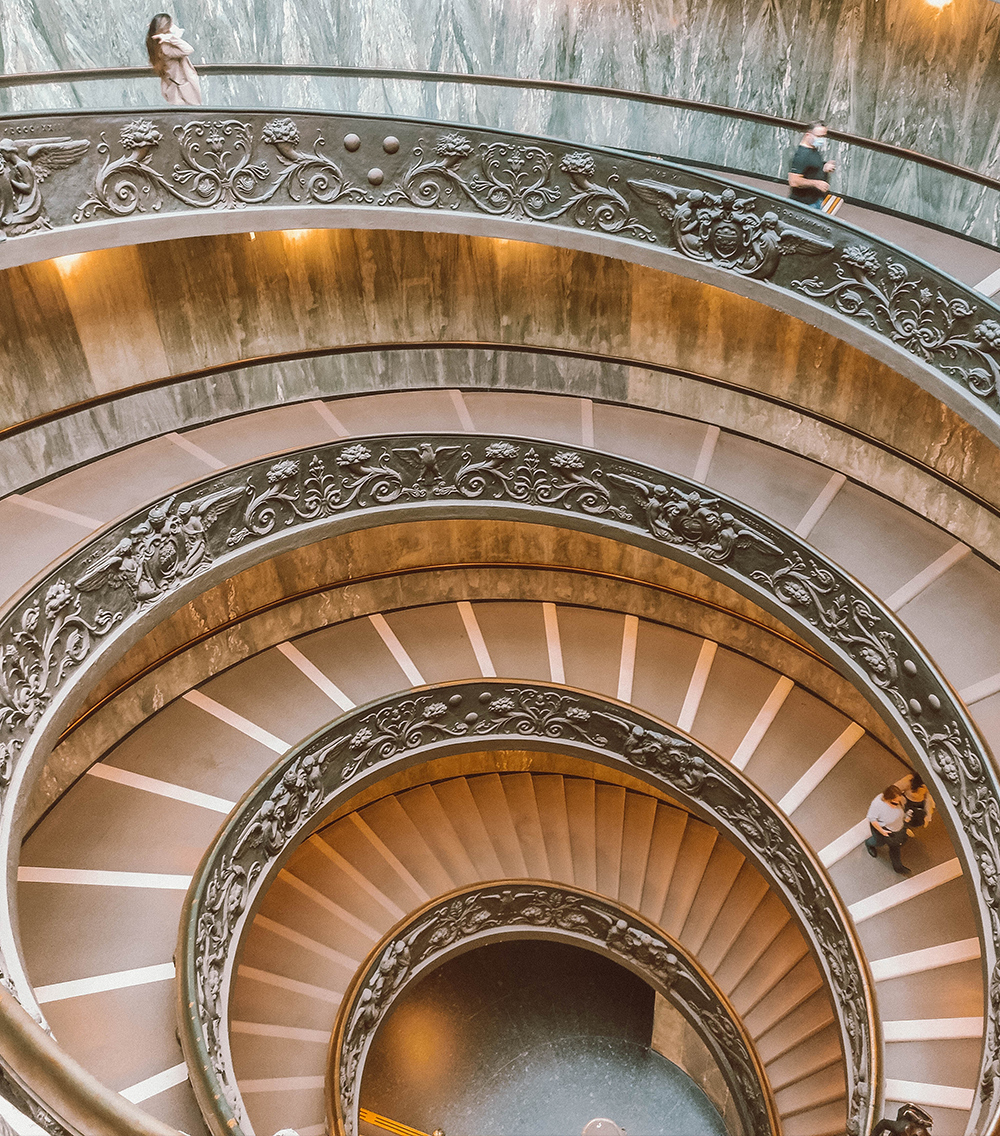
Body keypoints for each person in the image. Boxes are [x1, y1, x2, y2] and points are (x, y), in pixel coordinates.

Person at [146, 13, 202, 106]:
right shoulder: (166, 47)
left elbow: (177, 32)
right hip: (181, 90)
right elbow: (188, 49)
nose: (173, 26)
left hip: (173, 85)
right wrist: (170, 37)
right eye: (171, 25)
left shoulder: (154, 43)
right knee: (191, 116)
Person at [788, 121, 836, 210]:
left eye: (824, 136)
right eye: (819, 136)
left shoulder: (813, 149)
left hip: (815, 201)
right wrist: (816, 183)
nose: (822, 139)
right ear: (808, 135)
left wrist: (824, 167)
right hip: (803, 205)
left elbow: (811, 169)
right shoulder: (802, 155)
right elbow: (793, 181)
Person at [865, 784, 910, 875]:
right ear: (887, 799)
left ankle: (898, 867)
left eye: (898, 802)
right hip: (883, 829)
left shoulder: (897, 802)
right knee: (879, 842)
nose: (897, 805)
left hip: (896, 828)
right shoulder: (877, 804)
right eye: (894, 803)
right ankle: (869, 844)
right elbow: (872, 819)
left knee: (895, 847)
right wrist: (882, 832)